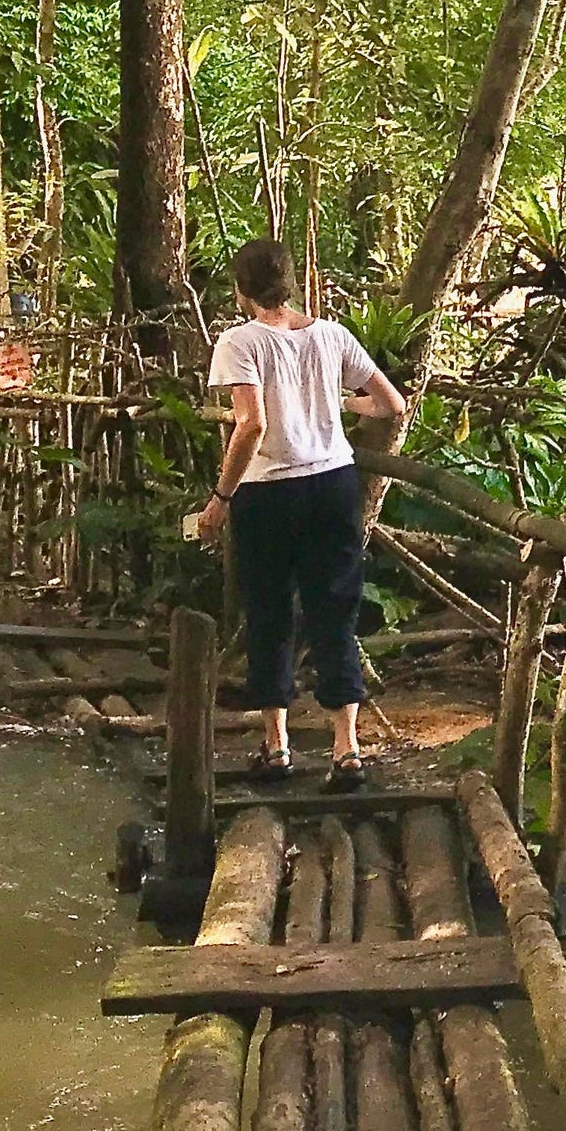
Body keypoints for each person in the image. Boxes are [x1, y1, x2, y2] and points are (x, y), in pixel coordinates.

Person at [200, 240, 407, 787]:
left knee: (269, 612)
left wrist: (221, 499)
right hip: (334, 486)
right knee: (333, 610)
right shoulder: (331, 335)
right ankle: (347, 748)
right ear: (291, 282)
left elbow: (251, 424)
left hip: (270, 493)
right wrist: (341, 404)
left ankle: (278, 746)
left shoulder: (239, 342)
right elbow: (392, 404)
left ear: (241, 290)